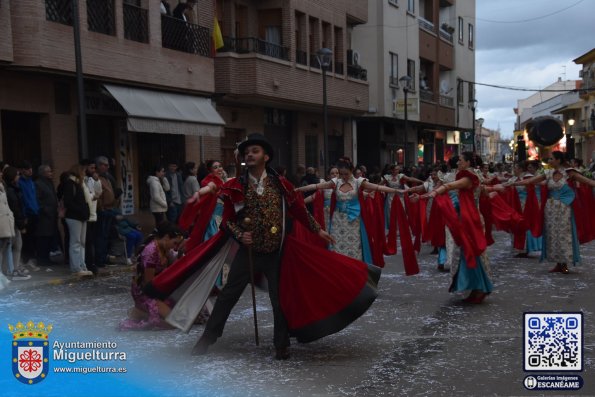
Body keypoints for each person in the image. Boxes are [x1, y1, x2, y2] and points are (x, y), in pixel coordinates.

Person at [192, 133, 334, 360]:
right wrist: (240, 235)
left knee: (280, 299)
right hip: (249, 251)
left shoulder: (280, 184)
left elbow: (298, 208)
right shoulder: (237, 186)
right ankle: (208, 337)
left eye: (255, 151)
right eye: (247, 152)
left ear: (266, 157)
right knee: (228, 295)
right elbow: (227, 221)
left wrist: (318, 230)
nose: (249, 154)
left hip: (276, 252)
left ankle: (282, 343)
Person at [297, 157, 400, 265]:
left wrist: (396, 190)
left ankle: (355, 271)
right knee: (336, 246)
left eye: (346, 174)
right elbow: (317, 186)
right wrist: (299, 189)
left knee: (354, 248)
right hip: (337, 221)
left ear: (352, 171)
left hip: (353, 221)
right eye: (341, 174)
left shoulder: (358, 182)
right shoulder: (336, 182)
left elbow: (378, 187)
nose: (344, 177)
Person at [508, 151, 595, 274]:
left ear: (558, 160)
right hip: (550, 209)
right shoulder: (548, 173)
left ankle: (564, 263)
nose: (549, 161)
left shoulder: (569, 173)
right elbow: (530, 181)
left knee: (564, 235)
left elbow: (588, 182)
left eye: (551, 159)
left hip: (564, 209)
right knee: (552, 236)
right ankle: (558, 263)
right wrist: (512, 183)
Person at [422, 152, 493, 303]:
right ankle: (475, 288)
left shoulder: (468, 178)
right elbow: (486, 193)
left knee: (471, 251)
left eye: (460, 160)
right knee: (469, 251)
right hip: (469, 218)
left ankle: (479, 288)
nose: (458, 163)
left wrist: (433, 193)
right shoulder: (476, 176)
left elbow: (449, 186)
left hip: (469, 220)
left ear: (468, 163)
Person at [119, 222, 184, 330]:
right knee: (173, 323)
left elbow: (175, 266)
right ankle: (140, 313)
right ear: (167, 237)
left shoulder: (165, 248)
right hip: (146, 292)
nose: (176, 247)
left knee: (185, 318)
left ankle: (143, 312)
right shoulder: (151, 251)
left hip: (158, 289)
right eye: (175, 243)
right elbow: (148, 284)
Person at [62, 165, 93, 276]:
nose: (85, 173)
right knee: (76, 242)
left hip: (81, 216)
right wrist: (81, 210)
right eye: (83, 171)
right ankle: (76, 267)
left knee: (82, 243)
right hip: (74, 216)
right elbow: (69, 202)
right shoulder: (70, 184)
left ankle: (82, 265)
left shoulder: (79, 184)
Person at [4, 166, 31, 280]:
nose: (19, 177)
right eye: (17, 175)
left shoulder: (14, 188)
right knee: (13, 246)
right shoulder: (11, 190)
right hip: (13, 222)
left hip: (15, 221)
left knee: (16, 245)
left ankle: (14, 269)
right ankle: (11, 270)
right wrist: (21, 225)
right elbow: (15, 208)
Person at [17, 160, 40, 271]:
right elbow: (22, 200)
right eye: (27, 169)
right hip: (27, 214)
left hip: (34, 212)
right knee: (26, 239)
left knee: (33, 238)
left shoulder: (31, 182)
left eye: (31, 168)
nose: (30, 171)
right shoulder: (20, 183)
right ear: (22, 170)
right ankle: (25, 261)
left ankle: (30, 260)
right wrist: (24, 214)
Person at [95, 156, 118, 267]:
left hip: (110, 208)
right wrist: (101, 207)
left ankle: (104, 257)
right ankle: (100, 259)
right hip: (103, 209)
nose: (107, 167)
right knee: (101, 235)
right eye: (105, 165)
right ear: (99, 165)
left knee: (107, 236)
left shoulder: (107, 177)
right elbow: (98, 195)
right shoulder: (97, 177)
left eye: (108, 165)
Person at [35, 164, 59, 267]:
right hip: (44, 217)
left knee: (49, 238)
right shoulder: (38, 184)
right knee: (43, 239)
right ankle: (42, 259)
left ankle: (47, 258)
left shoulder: (49, 183)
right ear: (43, 173)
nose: (51, 173)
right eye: (49, 171)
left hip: (52, 215)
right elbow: (38, 200)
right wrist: (46, 210)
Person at [82, 159, 102, 274]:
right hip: (86, 213)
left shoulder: (92, 179)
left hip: (93, 213)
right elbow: (89, 195)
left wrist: (97, 180)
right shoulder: (83, 180)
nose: (93, 170)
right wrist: (93, 195)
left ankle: (92, 262)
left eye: (94, 168)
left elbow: (99, 193)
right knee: (87, 241)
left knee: (92, 240)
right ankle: (89, 263)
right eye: (91, 168)